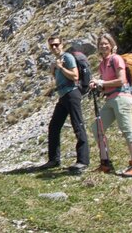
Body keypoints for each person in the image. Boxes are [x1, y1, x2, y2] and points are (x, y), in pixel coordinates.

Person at [90, 33, 132, 177]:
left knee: (127, 130)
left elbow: (121, 80)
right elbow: (107, 85)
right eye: (101, 44)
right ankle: (105, 162)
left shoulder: (116, 59)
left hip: (122, 98)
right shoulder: (102, 64)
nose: (103, 46)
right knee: (96, 128)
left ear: (112, 45)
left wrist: (102, 83)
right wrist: (98, 86)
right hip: (111, 99)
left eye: (106, 43)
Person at [39, 35, 89, 171]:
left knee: (78, 125)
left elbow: (75, 76)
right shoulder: (57, 60)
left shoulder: (67, 57)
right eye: (51, 45)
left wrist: (61, 67)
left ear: (62, 44)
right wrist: (54, 69)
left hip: (72, 93)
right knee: (54, 126)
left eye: (56, 44)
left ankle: (83, 161)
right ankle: (53, 160)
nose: (54, 47)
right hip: (63, 96)